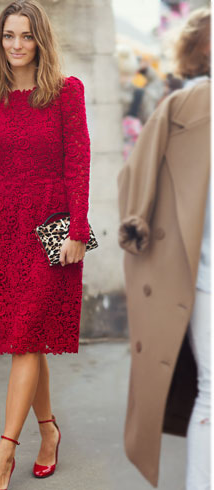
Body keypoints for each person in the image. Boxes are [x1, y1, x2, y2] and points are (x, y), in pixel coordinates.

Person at [0, 1, 91, 488]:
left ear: (41, 40)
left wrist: (78, 229)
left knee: (24, 340)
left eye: (26, 36)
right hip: (7, 224)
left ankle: (4, 452)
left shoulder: (65, 92)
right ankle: (49, 431)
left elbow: (79, 162)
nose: (17, 45)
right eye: (9, 36)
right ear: (0, 41)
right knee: (27, 339)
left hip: (52, 225)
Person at [117, 8, 210, 489]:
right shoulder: (185, 108)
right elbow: (134, 177)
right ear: (204, 49)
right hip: (202, 276)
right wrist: (138, 220)